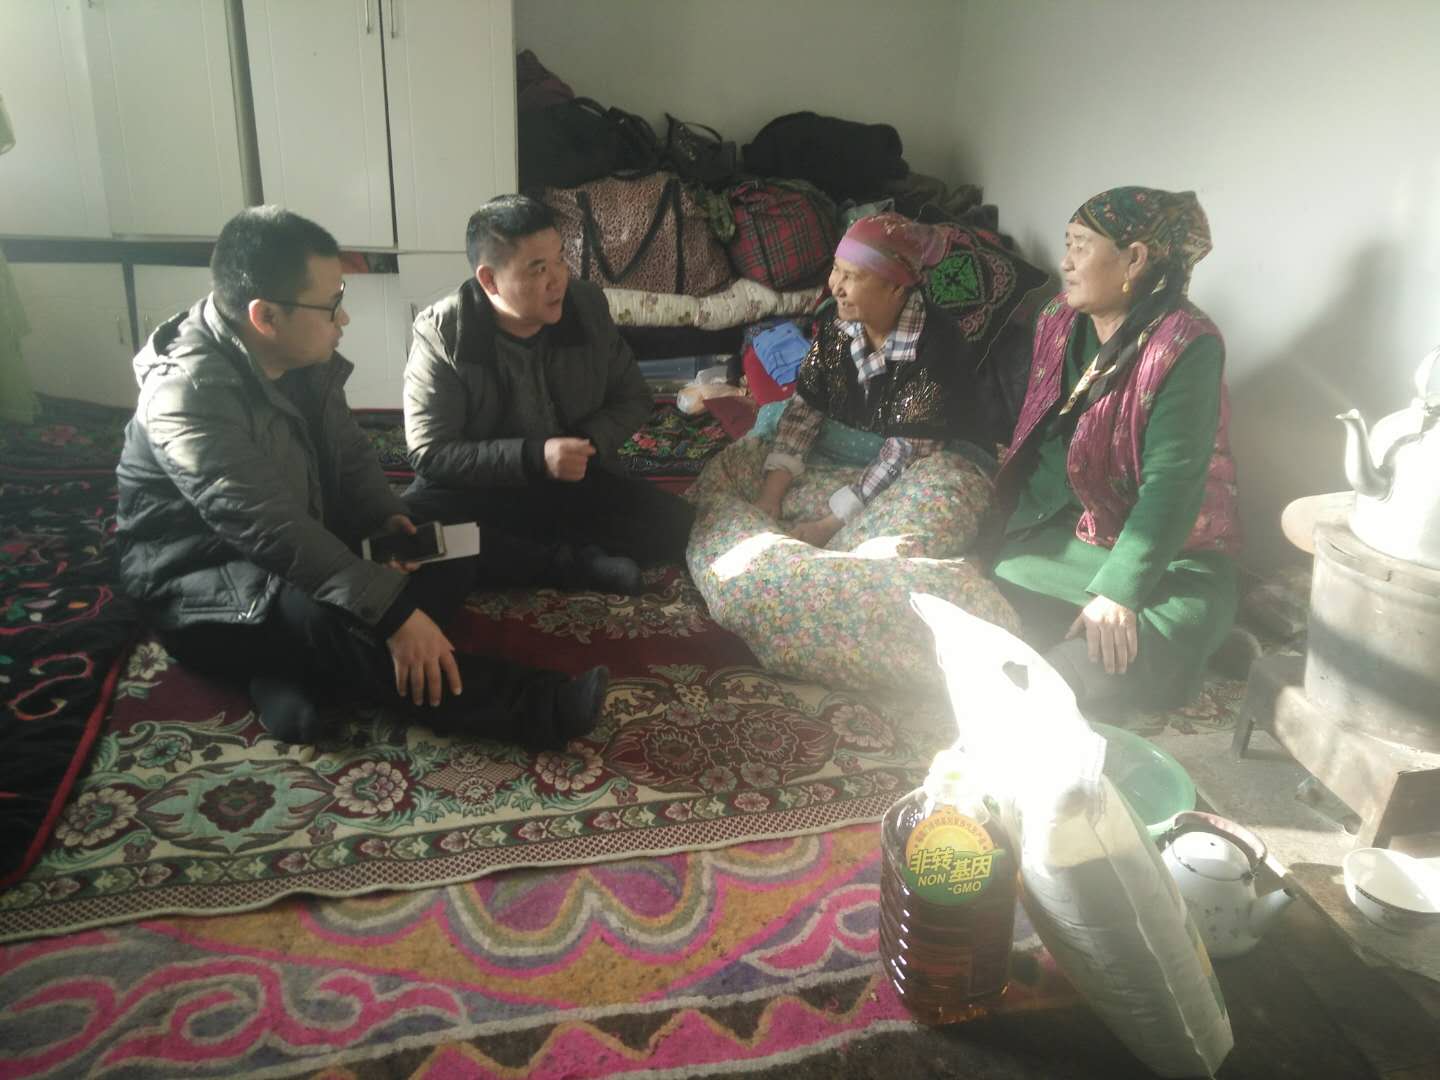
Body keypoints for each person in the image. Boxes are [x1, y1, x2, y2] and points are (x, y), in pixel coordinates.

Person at [115, 206, 607, 748]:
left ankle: (293, 673)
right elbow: (270, 530)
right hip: (208, 584)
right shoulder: (185, 396)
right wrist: (396, 617)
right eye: (332, 305)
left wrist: (384, 516)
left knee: (437, 535)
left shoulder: (296, 350)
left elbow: (348, 453)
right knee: (337, 617)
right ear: (266, 316)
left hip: (305, 532)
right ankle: (537, 707)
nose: (343, 318)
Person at [990, 186, 1241, 712]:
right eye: (1066, 244)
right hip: (1064, 536)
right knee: (1003, 578)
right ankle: (1097, 654)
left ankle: (1073, 674)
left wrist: (1120, 592)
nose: (1065, 262)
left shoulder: (1186, 345)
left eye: (1081, 246)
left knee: (1176, 622)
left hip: (1172, 554)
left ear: (1134, 258)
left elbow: (1172, 485)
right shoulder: (1059, 320)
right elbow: (1041, 441)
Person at [402, 195, 694, 587]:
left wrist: (586, 443)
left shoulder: (586, 307)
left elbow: (634, 397)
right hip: (479, 489)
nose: (558, 279)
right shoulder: (442, 333)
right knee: (415, 533)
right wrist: (533, 456)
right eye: (538, 268)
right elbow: (430, 452)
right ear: (489, 280)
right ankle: (574, 565)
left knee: (681, 526)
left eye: (559, 259)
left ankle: (536, 552)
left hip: (571, 481)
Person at [751, 212, 1002, 546]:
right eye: (836, 269)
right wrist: (770, 496)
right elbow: (806, 408)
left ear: (896, 287)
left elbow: (906, 451)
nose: (835, 286)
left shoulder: (937, 346)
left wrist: (828, 525)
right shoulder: (837, 324)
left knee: (935, 510)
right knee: (769, 425)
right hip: (868, 443)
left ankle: (857, 537)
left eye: (852, 276)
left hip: (933, 456)